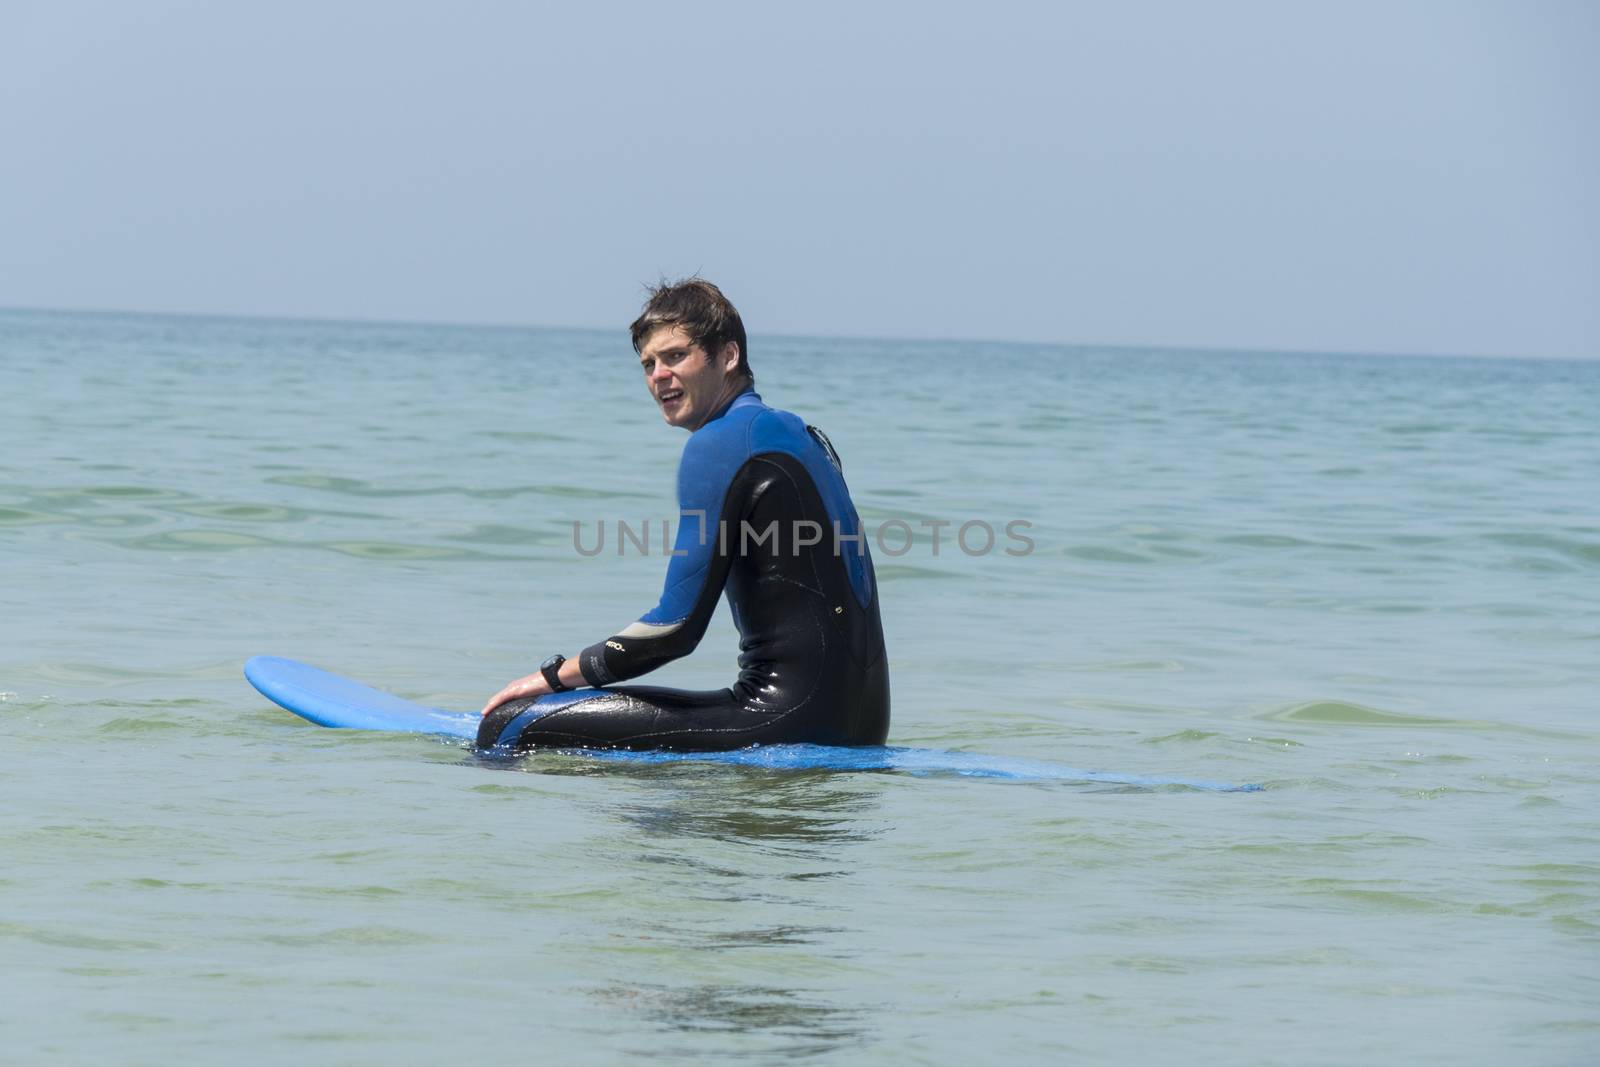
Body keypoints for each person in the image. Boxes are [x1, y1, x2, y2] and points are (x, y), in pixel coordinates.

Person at [476, 278, 890, 752]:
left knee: (509, 726)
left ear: (728, 356)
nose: (658, 376)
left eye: (675, 356)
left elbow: (673, 632)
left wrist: (551, 676)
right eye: (648, 364)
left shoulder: (721, 443)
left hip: (785, 721)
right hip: (863, 727)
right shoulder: (797, 434)